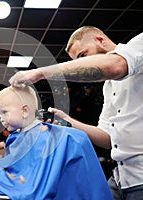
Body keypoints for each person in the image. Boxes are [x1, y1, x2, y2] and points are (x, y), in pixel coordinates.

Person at [9, 26, 143, 199]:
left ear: (100, 40)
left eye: (83, 56)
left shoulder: (138, 45)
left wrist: (40, 73)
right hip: (121, 178)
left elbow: (116, 66)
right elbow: (108, 138)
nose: (81, 63)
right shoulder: (109, 86)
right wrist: (68, 121)